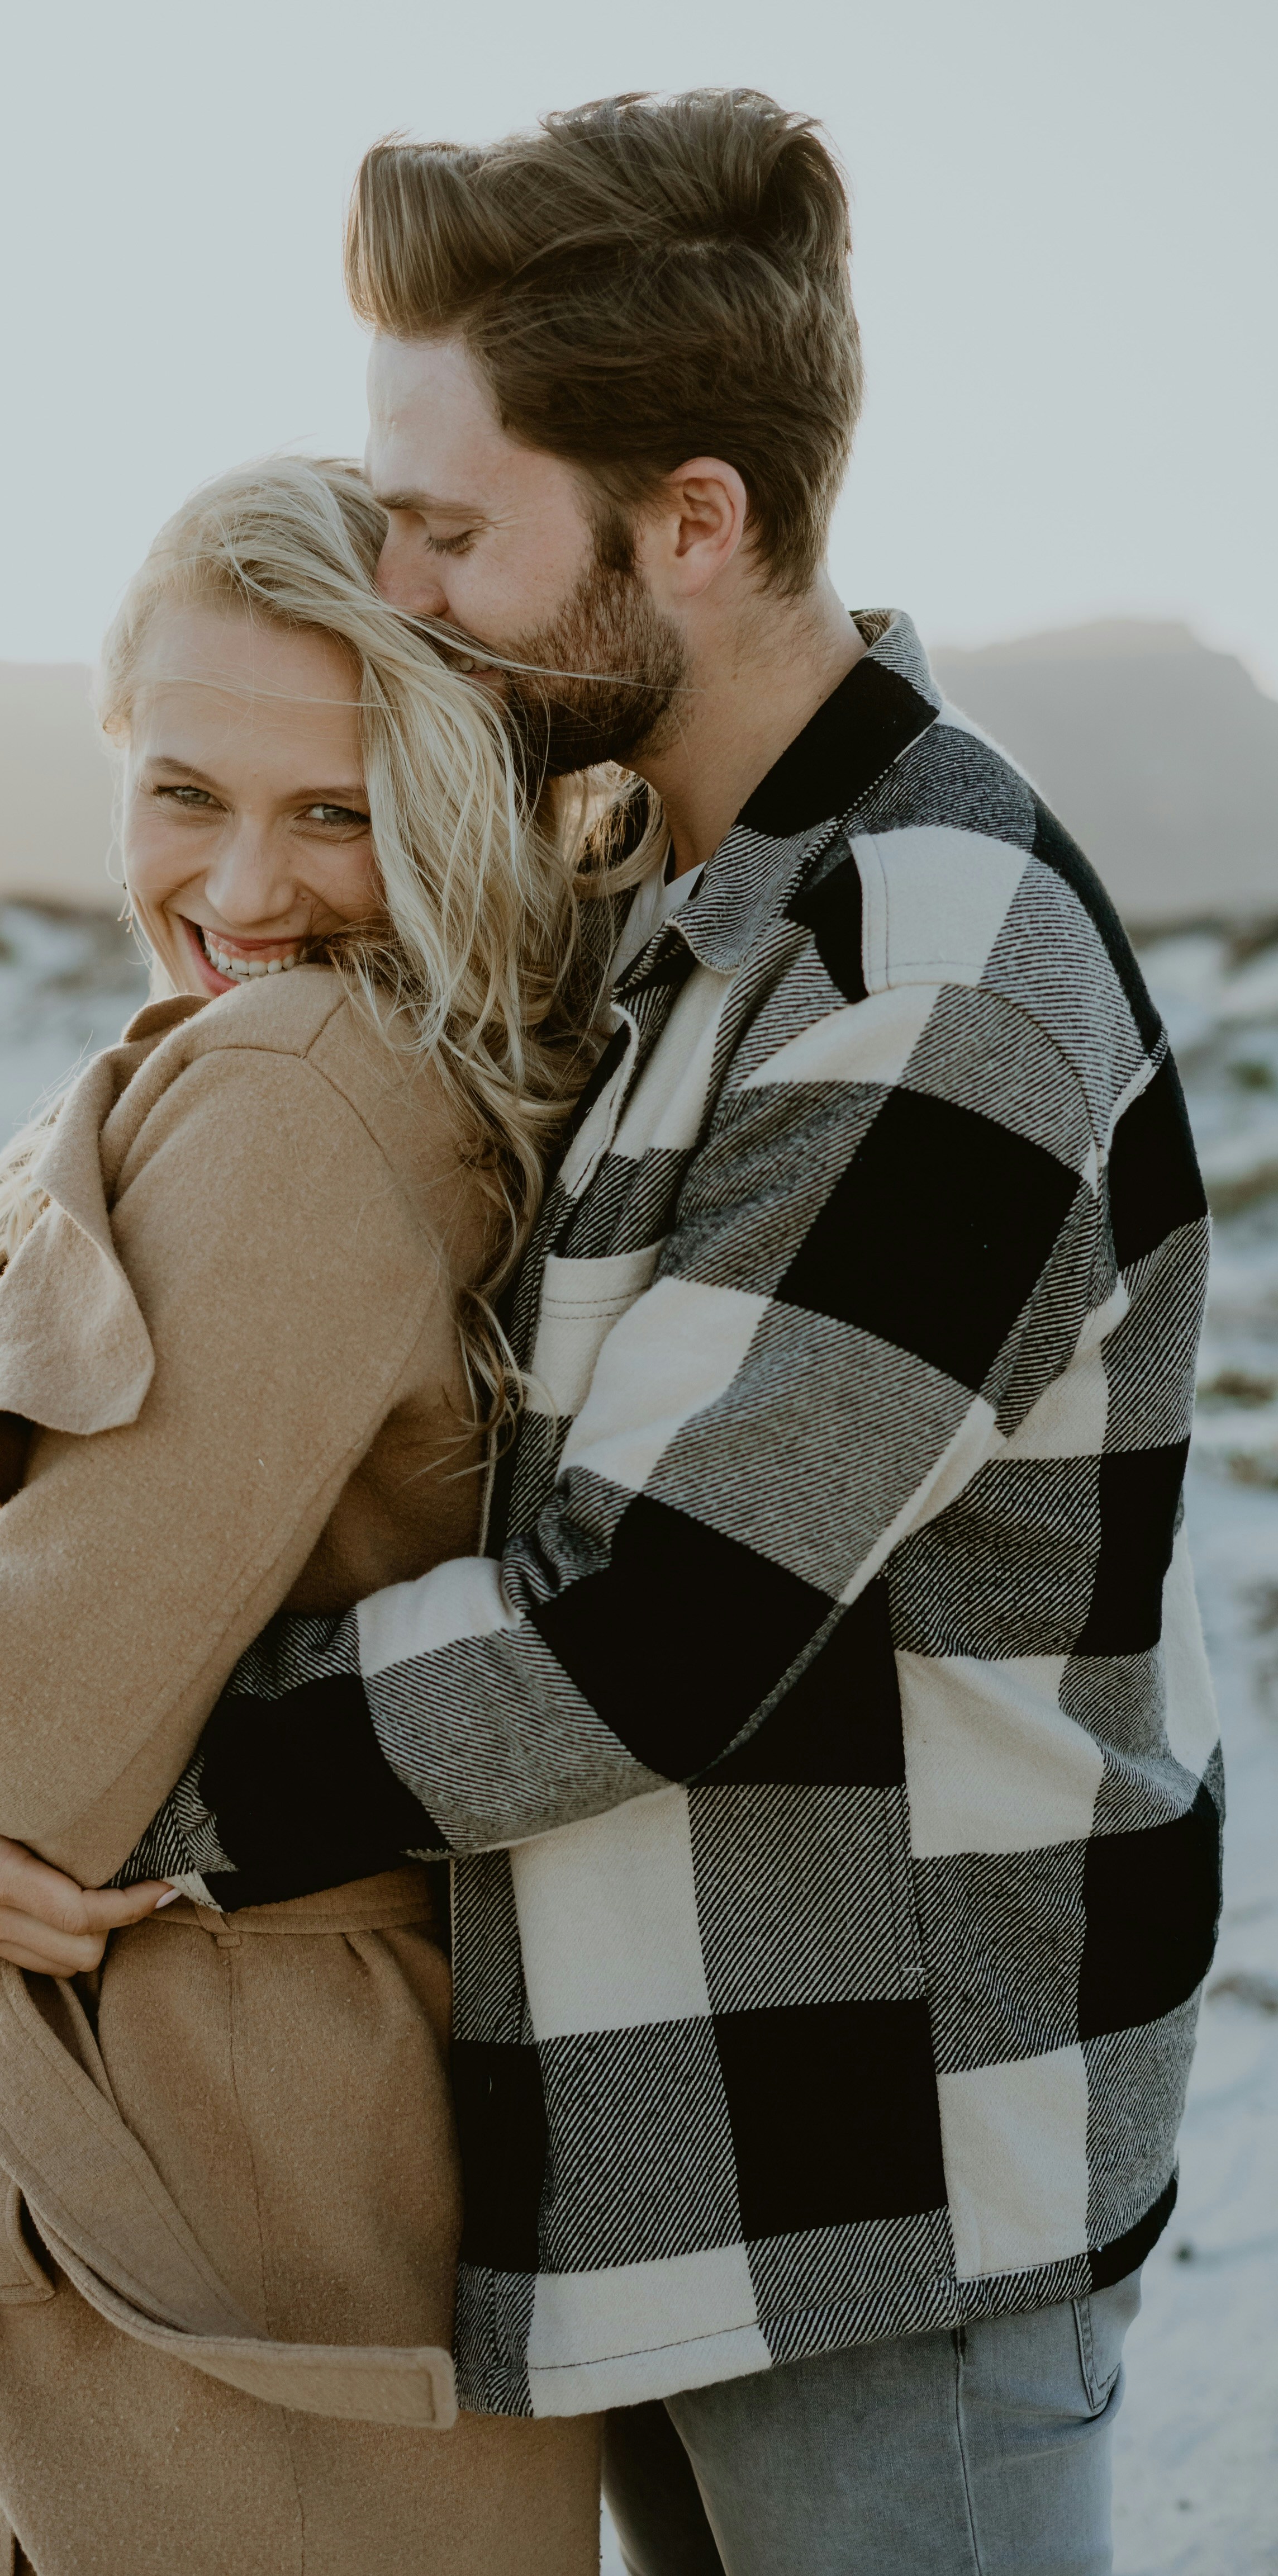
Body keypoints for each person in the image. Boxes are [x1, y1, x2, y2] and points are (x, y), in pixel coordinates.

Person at [106, 90, 1220, 2575]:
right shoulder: (656, 883)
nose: (400, 588)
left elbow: (649, 1628)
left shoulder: (933, 967)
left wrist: (120, 1795)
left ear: (691, 525)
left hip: (879, 2195)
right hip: (649, 2150)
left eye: (451, 529)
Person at [0, 457, 610, 2575]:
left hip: (247, 2145)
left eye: (340, 810)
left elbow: (21, 1754)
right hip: (172, 2115)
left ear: (462, 799)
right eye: (187, 791)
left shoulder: (302, 1091)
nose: (252, 887)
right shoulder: (143, 1080)